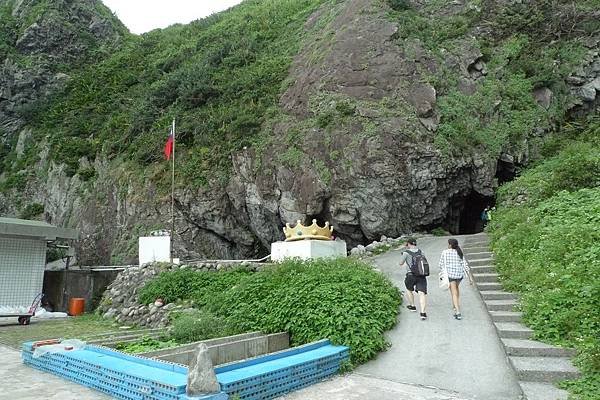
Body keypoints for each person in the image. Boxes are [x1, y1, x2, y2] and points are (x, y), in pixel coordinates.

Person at [439, 238, 474, 320]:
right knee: (456, 289)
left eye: (448, 244)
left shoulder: (445, 252)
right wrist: (470, 278)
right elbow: (465, 265)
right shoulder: (459, 252)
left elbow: (440, 264)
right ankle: (455, 305)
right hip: (459, 275)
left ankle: (458, 312)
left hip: (451, 275)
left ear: (450, 245)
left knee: (453, 292)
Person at [399, 237, 428, 320]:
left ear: (408, 244)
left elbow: (400, 263)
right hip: (421, 275)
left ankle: (412, 306)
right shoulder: (421, 252)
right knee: (422, 293)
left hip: (410, 275)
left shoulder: (406, 253)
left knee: (409, 290)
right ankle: (423, 313)